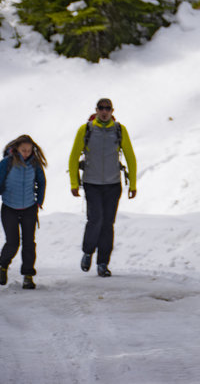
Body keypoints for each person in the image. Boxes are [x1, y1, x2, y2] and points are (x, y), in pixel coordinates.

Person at [68, 98, 137, 278]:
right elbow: (74, 157)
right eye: (101, 108)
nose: (104, 111)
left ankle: (103, 263)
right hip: (92, 183)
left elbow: (130, 156)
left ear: (112, 111)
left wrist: (133, 184)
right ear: (96, 110)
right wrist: (74, 183)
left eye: (107, 108)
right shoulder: (86, 130)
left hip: (113, 184)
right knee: (95, 219)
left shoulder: (120, 130)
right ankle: (88, 252)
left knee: (108, 224)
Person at [0, 134, 47, 289]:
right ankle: (3, 265)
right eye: (23, 150)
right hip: (9, 208)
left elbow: (42, 182)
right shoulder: (6, 163)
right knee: (13, 242)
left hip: (29, 208)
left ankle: (28, 276)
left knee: (29, 243)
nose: (26, 153)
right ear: (16, 149)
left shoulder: (35, 163)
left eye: (29, 150)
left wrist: (39, 201)